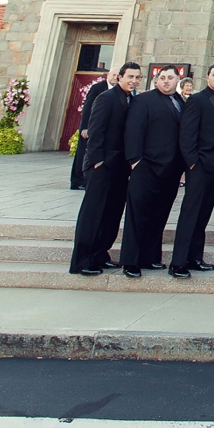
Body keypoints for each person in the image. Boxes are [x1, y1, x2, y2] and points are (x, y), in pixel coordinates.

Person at [68, 63, 141, 275]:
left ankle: (100, 254)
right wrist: (97, 161)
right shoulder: (106, 98)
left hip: (120, 167)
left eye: (137, 77)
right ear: (120, 77)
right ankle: (82, 260)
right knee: (94, 214)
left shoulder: (132, 100)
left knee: (112, 214)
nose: (133, 81)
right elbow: (95, 131)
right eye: (130, 77)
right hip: (102, 166)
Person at [120, 65, 187, 278]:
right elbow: (133, 130)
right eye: (162, 77)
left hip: (171, 169)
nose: (166, 81)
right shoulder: (144, 100)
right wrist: (135, 160)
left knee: (159, 215)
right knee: (138, 215)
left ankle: (150, 257)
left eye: (171, 78)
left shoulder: (180, 102)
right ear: (156, 80)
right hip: (146, 167)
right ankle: (131, 261)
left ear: (178, 80)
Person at [169, 64, 214, 277]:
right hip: (199, 165)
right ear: (207, 78)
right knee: (190, 212)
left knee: (204, 213)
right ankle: (178, 262)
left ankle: (195, 257)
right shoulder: (197, 100)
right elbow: (187, 134)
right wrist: (192, 163)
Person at [70, 68, 118, 189]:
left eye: (118, 75)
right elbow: (87, 108)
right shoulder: (98, 88)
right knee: (82, 152)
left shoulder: (117, 90)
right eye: (113, 75)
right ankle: (77, 180)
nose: (115, 77)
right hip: (90, 127)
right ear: (108, 75)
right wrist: (85, 127)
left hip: (101, 128)